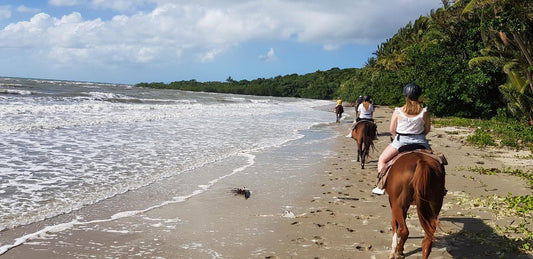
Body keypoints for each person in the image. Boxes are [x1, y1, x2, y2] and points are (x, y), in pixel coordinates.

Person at [372, 83, 431, 195]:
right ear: (419, 96)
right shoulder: (424, 111)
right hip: (421, 142)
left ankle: (381, 185)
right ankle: (439, 189)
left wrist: (396, 137)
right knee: (438, 162)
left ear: (405, 96)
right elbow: (427, 129)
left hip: (401, 142)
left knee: (382, 160)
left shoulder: (398, 111)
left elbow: (392, 129)